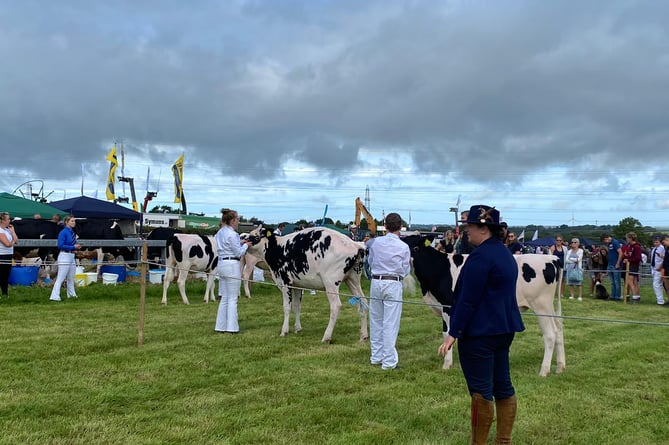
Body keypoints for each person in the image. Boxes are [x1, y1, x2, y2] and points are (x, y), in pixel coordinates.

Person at [438, 205, 525, 445]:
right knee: (503, 385)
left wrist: (453, 333)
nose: (467, 232)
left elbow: (468, 299)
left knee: (480, 393)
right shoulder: (505, 254)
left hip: (479, 333)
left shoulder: (480, 257)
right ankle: (503, 441)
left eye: (470, 227)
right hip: (504, 329)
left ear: (484, 229)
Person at [365, 212, 410, 371]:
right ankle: (389, 362)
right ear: (400, 227)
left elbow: (370, 261)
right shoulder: (404, 246)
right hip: (393, 283)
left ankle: (376, 357)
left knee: (376, 319)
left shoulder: (375, 243)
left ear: (385, 226)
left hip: (376, 281)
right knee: (390, 322)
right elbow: (405, 269)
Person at [214, 208, 251, 334]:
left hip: (221, 264)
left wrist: (240, 242)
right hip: (232, 265)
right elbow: (239, 252)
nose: (238, 221)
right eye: (237, 219)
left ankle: (220, 326)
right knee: (233, 298)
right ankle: (232, 328)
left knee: (224, 297)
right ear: (232, 220)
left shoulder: (220, 232)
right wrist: (246, 245)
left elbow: (228, 245)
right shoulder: (233, 234)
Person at [49, 216, 81, 302]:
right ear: (67, 222)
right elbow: (60, 245)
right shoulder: (63, 232)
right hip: (64, 256)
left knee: (71, 277)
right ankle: (54, 296)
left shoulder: (71, 232)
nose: (74, 223)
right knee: (61, 277)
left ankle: (71, 295)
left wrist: (74, 249)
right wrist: (73, 247)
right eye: (72, 221)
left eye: (74, 221)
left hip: (71, 256)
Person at [0, 212, 18, 297]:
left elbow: (16, 240)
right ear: (2, 221)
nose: (9, 220)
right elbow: (7, 244)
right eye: (8, 219)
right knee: (1, 275)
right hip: (2, 255)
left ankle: (4, 294)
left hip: (8, 255)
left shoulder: (7, 230)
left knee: (6, 275)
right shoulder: (0, 231)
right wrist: (13, 241)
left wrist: (13, 232)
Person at [601, 233, 623, 301]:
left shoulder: (615, 242)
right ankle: (613, 295)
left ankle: (617, 296)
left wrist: (618, 263)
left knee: (617, 282)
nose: (605, 243)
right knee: (612, 282)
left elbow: (620, 253)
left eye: (604, 241)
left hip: (615, 265)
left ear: (606, 238)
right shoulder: (609, 244)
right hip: (610, 265)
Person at [622, 232, 642, 303]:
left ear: (631, 238)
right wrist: (626, 256)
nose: (626, 240)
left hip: (633, 266)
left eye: (627, 238)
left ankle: (635, 297)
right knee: (634, 281)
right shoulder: (630, 246)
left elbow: (638, 258)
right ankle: (637, 296)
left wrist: (629, 259)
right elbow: (631, 256)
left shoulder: (636, 247)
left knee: (630, 281)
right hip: (630, 265)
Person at [649, 236, 665, 306]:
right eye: (654, 242)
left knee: (656, 284)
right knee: (658, 284)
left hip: (659, 268)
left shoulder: (662, 248)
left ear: (660, 242)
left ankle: (660, 301)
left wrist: (660, 267)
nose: (655, 243)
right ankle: (660, 299)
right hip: (653, 268)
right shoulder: (654, 249)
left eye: (657, 242)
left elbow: (664, 259)